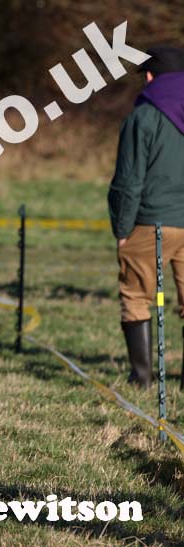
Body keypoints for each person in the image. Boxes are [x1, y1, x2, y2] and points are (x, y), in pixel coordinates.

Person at [108, 46, 184, 389]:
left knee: (136, 296)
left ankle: (141, 377)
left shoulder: (144, 117)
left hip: (151, 221)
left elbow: (128, 180)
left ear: (151, 77)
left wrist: (122, 227)